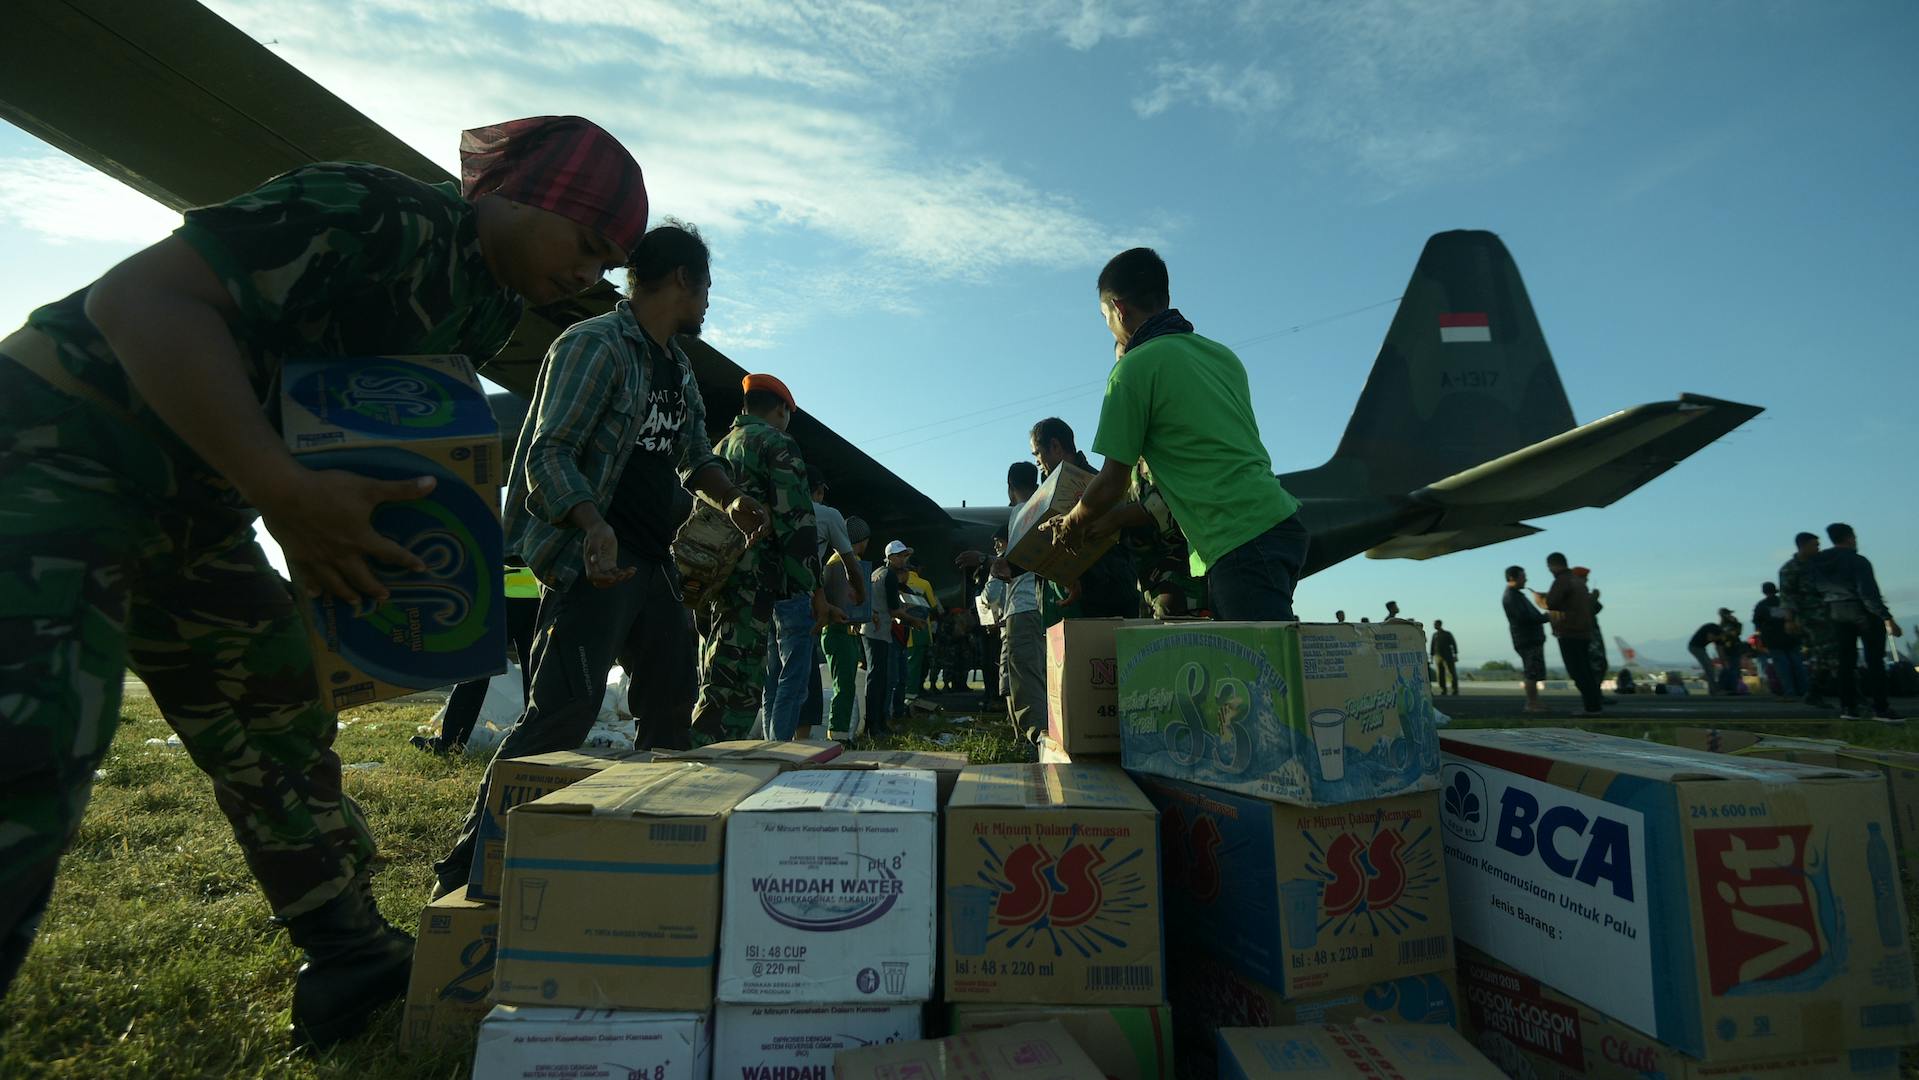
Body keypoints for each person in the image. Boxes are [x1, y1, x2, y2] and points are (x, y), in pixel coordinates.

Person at [0, 115, 647, 1044]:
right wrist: (284, 493)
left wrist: (317, 520)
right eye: (585, 243)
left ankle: (350, 955)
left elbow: (356, 427)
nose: (589, 275)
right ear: (511, 196)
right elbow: (139, 303)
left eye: (609, 262)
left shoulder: (489, 306)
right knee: (32, 732)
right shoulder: (372, 211)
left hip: (203, 509)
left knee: (278, 719)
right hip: (57, 452)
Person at [433, 222, 761, 900]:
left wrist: (734, 501)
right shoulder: (593, 346)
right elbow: (546, 453)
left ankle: (656, 852)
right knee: (561, 714)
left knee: (671, 707)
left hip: (654, 560)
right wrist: (590, 523)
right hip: (598, 562)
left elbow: (694, 454)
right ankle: (470, 866)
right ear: (682, 281)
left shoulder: (674, 365)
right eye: (706, 290)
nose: (707, 305)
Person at [1045, 248, 1310, 621]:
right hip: (1279, 523)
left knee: (1260, 674)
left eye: (1105, 318)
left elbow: (1112, 482)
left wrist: (1072, 523)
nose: (1109, 326)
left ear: (1119, 310)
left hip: (1237, 539)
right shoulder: (1221, 357)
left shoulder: (1133, 369)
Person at [693, 375, 838, 742]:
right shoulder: (777, 443)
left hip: (717, 576)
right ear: (780, 410)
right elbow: (797, 524)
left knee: (717, 671)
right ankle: (710, 767)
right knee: (739, 684)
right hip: (754, 580)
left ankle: (704, 757)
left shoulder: (720, 448)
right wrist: (813, 590)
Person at [765, 467, 863, 740]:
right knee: (794, 682)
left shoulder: (772, 507)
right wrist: (861, 594)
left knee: (772, 678)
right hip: (799, 599)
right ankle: (780, 748)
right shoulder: (826, 514)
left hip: (766, 598)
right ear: (818, 491)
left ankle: (768, 745)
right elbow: (849, 562)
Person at [415, 567, 542, 753]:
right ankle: (539, 742)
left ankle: (450, 743)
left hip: (501, 591)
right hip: (539, 591)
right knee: (537, 674)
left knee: (477, 669)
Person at [1027, 417, 1138, 617]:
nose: (1036, 461)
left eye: (1037, 453)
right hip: (1067, 599)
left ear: (1055, 446)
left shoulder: (1103, 486)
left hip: (1109, 595)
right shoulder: (1044, 495)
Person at [1812, 522, 1903, 722]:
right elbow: (1868, 593)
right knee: (1874, 661)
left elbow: (1814, 590)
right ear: (1850, 537)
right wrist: (1887, 617)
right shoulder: (1858, 561)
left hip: (1835, 612)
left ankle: (1848, 707)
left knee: (1846, 662)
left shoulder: (1818, 562)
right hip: (1862, 612)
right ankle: (1881, 708)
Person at [818, 517, 872, 739]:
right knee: (844, 687)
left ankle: (840, 732)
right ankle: (838, 734)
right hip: (838, 631)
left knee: (846, 685)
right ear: (863, 540)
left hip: (842, 632)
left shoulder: (835, 561)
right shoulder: (844, 563)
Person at [862, 541, 922, 737]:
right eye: (900, 555)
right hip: (877, 632)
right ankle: (874, 725)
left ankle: (878, 722)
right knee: (878, 679)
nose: (904, 559)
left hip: (875, 630)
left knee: (880, 678)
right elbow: (894, 610)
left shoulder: (878, 572)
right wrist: (914, 621)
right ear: (891, 557)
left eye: (905, 555)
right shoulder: (888, 576)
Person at [1533, 553, 1602, 714]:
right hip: (1584, 632)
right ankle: (1594, 705)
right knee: (1586, 670)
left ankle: (1591, 708)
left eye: (1549, 567)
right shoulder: (1578, 582)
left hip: (1569, 632)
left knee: (1577, 671)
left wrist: (1539, 599)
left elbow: (1552, 603)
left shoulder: (1561, 581)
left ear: (1553, 565)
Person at [1777, 531, 1833, 707]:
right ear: (1803, 546)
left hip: (1829, 615)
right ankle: (1815, 692)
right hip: (1809, 619)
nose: (1818, 548)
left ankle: (1816, 692)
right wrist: (1789, 620)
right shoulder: (1790, 569)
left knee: (1829, 656)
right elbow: (1787, 596)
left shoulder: (1821, 564)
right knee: (1826, 656)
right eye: (1814, 545)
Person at [1503, 567, 1552, 713]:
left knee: (1533, 671)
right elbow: (1524, 618)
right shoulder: (1512, 597)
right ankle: (1531, 703)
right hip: (1527, 639)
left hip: (1528, 638)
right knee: (1531, 671)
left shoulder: (1515, 596)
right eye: (1523, 576)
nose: (1526, 579)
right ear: (1513, 578)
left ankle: (1535, 702)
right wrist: (1545, 617)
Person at [1753, 582, 1806, 698]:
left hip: (1773, 640)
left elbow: (1757, 623)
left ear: (1764, 591)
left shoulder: (1762, 605)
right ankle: (1804, 689)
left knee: (1782, 666)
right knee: (1797, 663)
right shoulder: (1786, 602)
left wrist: (1760, 639)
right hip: (1792, 637)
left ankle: (1789, 691)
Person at [1430, 620, 1459, 696]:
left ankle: (1455, 689)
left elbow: (1453, 644)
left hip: (1448, 656)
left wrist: (1455, 654)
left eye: (1435, 624)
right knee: (1440, 674)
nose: (1434, 626)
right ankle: (1443, 690)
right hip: (1438, 656)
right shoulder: (1434, 635)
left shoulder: (1447, 634)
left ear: (1439, 625)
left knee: (1451, 673)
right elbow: (1432, 646)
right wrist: (1431, 656)